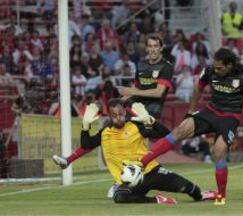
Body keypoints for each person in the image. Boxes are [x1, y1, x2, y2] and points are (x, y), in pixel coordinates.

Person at [135, 48, 243, 205]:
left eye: (220, 68)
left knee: (219, 151)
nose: (216, 69)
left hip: (230, 117)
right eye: (215, 66)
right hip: (210, 111)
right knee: (180, 129)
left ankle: (221, 194)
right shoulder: (209, 71)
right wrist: (191, 111)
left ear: (230, 66)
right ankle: (142, 161)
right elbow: (198, 89)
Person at [53, 34, 173, 195]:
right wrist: (119, 101)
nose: (152, 49)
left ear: (161, 48)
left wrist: (132, 91)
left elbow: (158, 93)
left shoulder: (166, 66)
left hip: (149, 113)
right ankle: (69, 161)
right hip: (133, 107)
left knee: (124, 143)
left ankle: (121, 181)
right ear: (146, 47)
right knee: (106, 133)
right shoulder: (142, 64)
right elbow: (135, 88)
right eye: (149, 46)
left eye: (155, 46)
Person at [72, 99, 216, 204]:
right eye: (114, 115)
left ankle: (200, 195)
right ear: (109, 116)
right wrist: (85, 126)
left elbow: (165, 134)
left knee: (190, 188)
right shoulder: (104, 133)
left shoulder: (135, 125)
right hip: (130, 181)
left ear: (125, 113)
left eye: (121, 114)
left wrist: (150, 121)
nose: (118, 118)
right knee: (119, 197)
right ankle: (158, 200)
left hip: (151, 171)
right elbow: (86, 144)